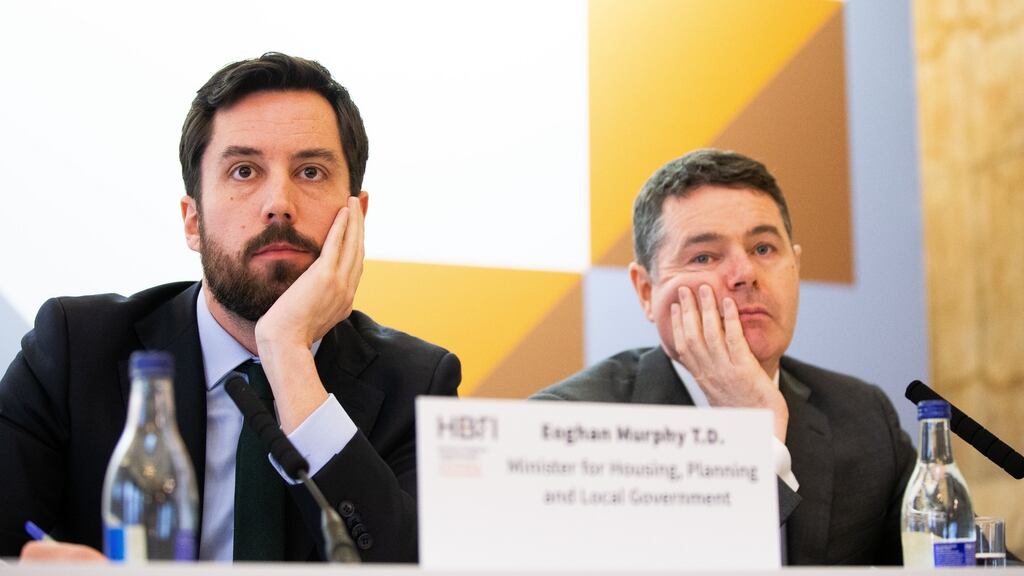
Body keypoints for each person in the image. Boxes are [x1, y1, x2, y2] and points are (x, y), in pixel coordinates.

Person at [0, 53, 460, 563]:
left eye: (310, 171)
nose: (279, 203)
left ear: (357, 216)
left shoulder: (417, 385)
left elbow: (410, 565)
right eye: (244, 171)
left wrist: (286, 353)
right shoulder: (73, 351)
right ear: (192, 220)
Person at [532, 149, 914, 565]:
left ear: (796, 267)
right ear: (646, 291)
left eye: (764, 249)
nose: (745, 273)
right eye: (704, 257)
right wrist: (753, 433)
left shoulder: (864, 417)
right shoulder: (570, 430)